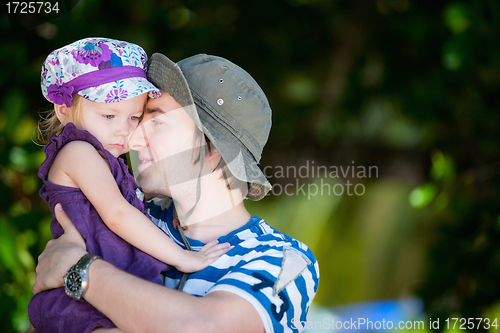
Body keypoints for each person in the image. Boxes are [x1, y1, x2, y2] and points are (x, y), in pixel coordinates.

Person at [32, 53, 320, 333]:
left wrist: (80, 271)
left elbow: (201, 327)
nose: (133, 139)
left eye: (156, 121)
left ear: (213, 151)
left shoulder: (283, 259)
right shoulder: (135, 218)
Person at [28, 39, 229, 333]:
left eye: (134, 117)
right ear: (63, 109)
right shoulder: (78, 153)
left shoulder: (104, 160)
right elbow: (117, 215)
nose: (124, 130)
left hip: (103, 293)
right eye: (109, 116)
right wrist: (183, 258)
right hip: (80, 304)